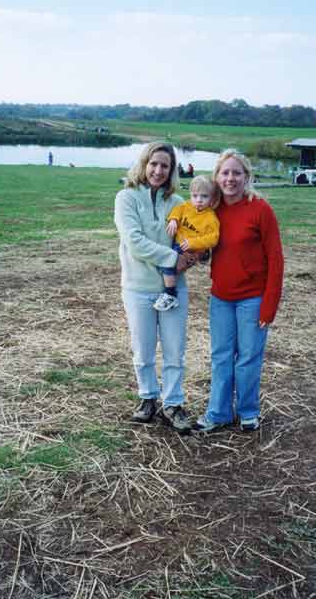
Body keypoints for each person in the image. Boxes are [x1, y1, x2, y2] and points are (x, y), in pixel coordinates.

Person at [196, 149, 284, 433]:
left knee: (248, 357)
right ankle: (218, 412)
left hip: (253, 299)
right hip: (221, 298)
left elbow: (276, 259)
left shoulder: (260, 209)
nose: (230, 178)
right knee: (221, 356)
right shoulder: (211, 210)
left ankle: (248, 411)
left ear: (247, 176)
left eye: (236, 173)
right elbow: (205, 247)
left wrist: (269, 306)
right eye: (225, 173)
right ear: (217, 177)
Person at [114, 141, 197, 434]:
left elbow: (192, 240)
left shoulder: (178, 204)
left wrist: (195, 254)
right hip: (138, 288)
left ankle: (172, 402)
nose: (158, 171)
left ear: (172, 170)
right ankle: (147, 398)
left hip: (175, 289)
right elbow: (134, 242)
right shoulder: (126, 198)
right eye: (154, 164)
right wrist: (175, 258)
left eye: (165, 166)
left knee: (175, 350)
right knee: (143, 349)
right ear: (143, 164)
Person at [153, 175, 220, 311]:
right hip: (177, 242)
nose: (199, 200)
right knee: (166, 265)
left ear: (211, 198)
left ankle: (170, 294)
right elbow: (177, 211)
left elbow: (213, 238)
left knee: (167, 266)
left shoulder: (210, 218)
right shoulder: (187, 206)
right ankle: (167, 289)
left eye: (204, 196)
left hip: (190, 248)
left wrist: (194, 243)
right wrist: (173, 220)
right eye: (195, 196)